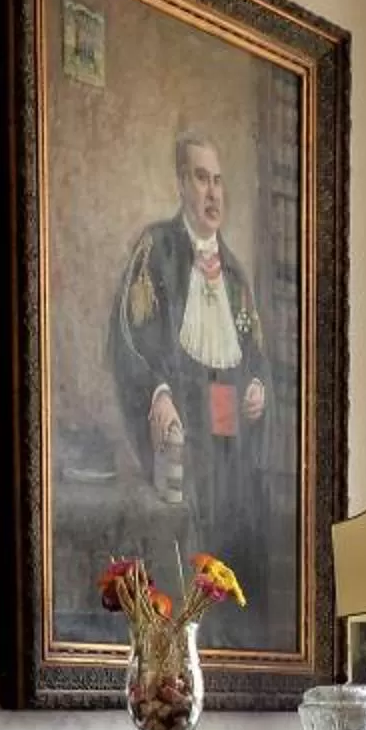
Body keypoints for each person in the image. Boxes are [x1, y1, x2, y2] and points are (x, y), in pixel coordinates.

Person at [105, 131, 271, 622]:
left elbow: (256, 356)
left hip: (227, 438)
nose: (212, 192)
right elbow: (128, 336)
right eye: (201, 178)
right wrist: (157, 391)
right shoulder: (156, 249)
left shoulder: (236, 274)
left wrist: (259, 387)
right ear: (181, 183)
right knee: (181, 545)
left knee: (229, 538)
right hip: (179, 432)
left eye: (218, 181)